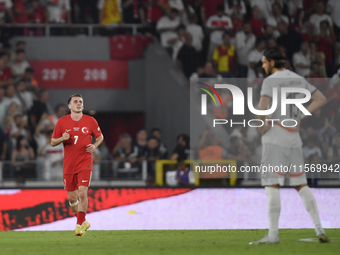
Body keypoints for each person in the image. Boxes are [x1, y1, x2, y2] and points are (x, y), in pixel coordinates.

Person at [249, 47, 329, 245]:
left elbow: (261, 110)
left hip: (275, 134)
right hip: (294, 137)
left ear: (272, 63)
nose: (262, 65)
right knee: (301, 184)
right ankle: (319, 228)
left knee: (272, 184)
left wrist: (261, 129)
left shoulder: (269, 81)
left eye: (264, 62)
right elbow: (321, 99)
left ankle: (273, 235)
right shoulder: (297, 79)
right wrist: (301, 115)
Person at [51, 94, 104, 236]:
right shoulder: (62, 122)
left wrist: (94, 145)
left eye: (80, 101)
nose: (79, 103)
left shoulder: (90, 121)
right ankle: (84, 221)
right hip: (69, 163)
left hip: (85, 161)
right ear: (69, 106)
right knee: (72, 198)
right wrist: (62, 138)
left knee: (82, 193)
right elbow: (52, 141)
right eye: (75, 102)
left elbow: (100, 137)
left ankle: (79, 226)